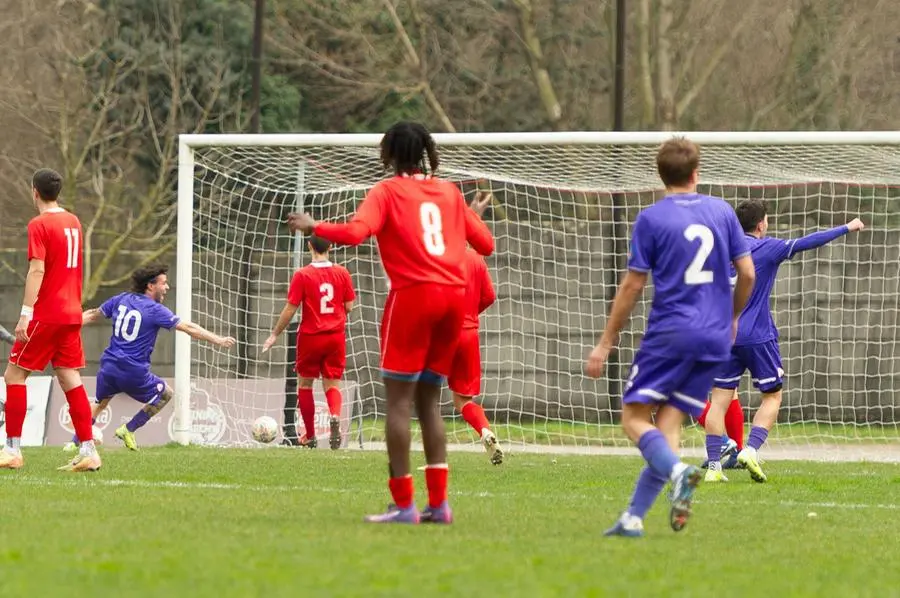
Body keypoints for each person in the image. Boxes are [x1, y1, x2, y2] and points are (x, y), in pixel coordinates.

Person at [288, 121, 494, 524]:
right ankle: (440, 504)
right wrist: (464, 216)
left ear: (389, 154)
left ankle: (404, 505)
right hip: (455, 298)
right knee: (431, 402)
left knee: (399, 403)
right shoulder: (450, 192)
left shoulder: (387, 191)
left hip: (415, 295)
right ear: (425, 153)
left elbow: (357, 232)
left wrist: (316, 227)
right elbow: (485, 244)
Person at [586, 137, 755, 537]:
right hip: (714, 338)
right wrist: (732, 316)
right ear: (697, 173)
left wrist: (606, 341)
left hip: (671, 334)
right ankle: (633, 518)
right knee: (669, 423)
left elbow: (632, 286)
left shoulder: (652, 218)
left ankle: (680, 472)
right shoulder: (722, 212)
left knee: (632, 418)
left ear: (661, 176)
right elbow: (747, 273)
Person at [703, 200, 864, 482]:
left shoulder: (723, 251)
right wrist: (846, 227)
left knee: (718, 402)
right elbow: (808, 242)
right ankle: (750, 450)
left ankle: (714, 467)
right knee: (773, 396)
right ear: (762, 224)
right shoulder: (768, 247)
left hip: (723, 335)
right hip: (758, 336)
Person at [75, 265, 236, 451]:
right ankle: (129, 429)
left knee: (100, 403)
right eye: (164, 283)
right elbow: (189, 328)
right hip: (133, 369)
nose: (167, 287)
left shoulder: (121, 299)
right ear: (150, 286)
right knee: (165, 394)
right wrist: (218, 339)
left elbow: (93, 314)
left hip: (109, 365)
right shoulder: (154, 309)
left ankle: (74, 441)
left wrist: (66, 325)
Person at [2, 168, 100, 472]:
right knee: (70, 378)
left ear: (34, 192)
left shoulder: (39, 224)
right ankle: (88, 450)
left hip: (46, 314)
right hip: (71, 313)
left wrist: (25, 314)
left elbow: (37, 270)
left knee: (14, 376)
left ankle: (12, 449)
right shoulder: (73, 221)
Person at [263, 235, 355, 450]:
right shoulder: (342, 273)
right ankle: (334, 416)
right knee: (332, 384)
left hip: (311, 337)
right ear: (331, 247)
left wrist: (275, 334)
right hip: (335, 336)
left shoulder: (303, 275)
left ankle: (310, 435)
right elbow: (349, 306)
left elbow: (290, 309)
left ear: (309, 246)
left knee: (305, 385)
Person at [449, 226, 502, 465]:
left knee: (421, 388)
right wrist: (471, 313)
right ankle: (485, 431)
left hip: (445, 333)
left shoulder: (442, 258)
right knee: (463, 401)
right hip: (469, 334)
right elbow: (490, 296)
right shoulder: (477, 259)